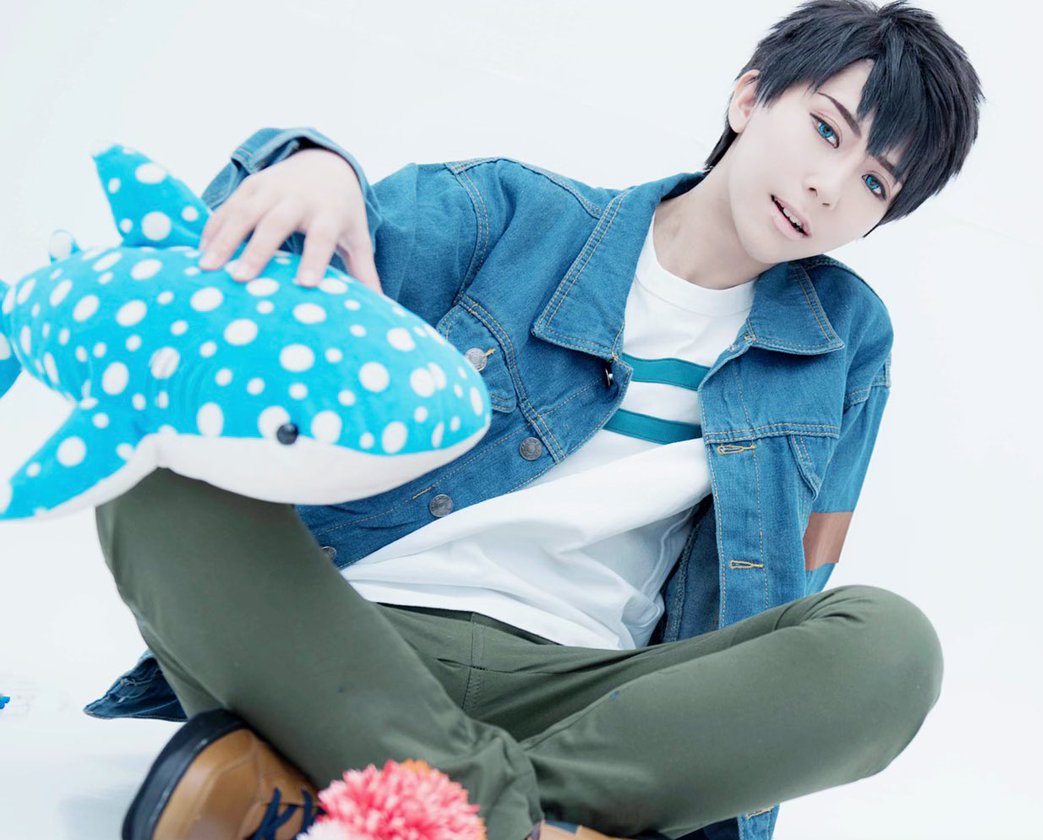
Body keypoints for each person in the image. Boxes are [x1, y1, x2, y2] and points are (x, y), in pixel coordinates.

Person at [89, 1, 984, 838]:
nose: (829, 187)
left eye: (875, 183)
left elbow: (790, 602)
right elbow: (220, 313)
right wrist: (314, 165)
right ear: (750, 97)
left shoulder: (845, 344)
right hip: (347, 640)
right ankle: (511, 818)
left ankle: (324, 786)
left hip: (592, 701)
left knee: (893, 649)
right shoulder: (511, 213)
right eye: (826, 130)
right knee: (156, 459)